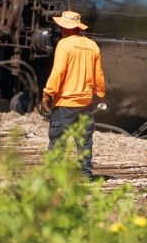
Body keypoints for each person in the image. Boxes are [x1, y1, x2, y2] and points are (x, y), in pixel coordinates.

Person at [40, 10, 105, 179]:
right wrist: (100, 93)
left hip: (65, 103)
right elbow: (99, 75)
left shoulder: (64, 44)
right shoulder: (93, 46)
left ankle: (53, 176)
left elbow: (58, 71)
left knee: (58, 140)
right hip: (86, 103)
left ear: (65, 28)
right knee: (84, 141)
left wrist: (48, 93)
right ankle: (85, 174)